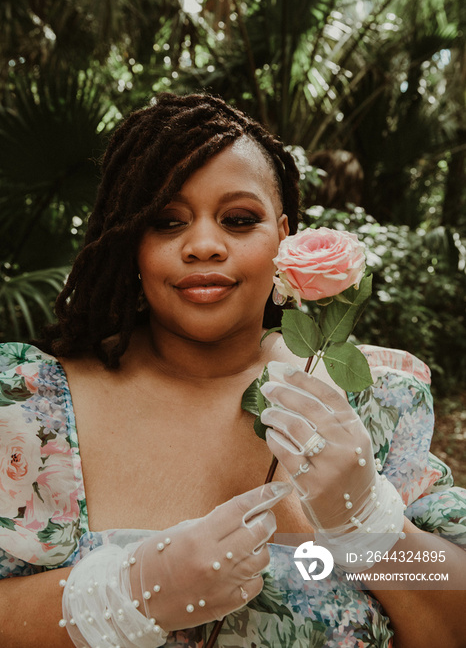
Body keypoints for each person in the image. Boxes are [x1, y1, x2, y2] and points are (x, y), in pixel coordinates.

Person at [0, 92, 465, 648]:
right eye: (167, 221)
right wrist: (123, 595)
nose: (203, 245)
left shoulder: (374, 399)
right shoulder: (28, 406)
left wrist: (377, 530)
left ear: (284, 237)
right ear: (129, 242)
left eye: (239, 220)